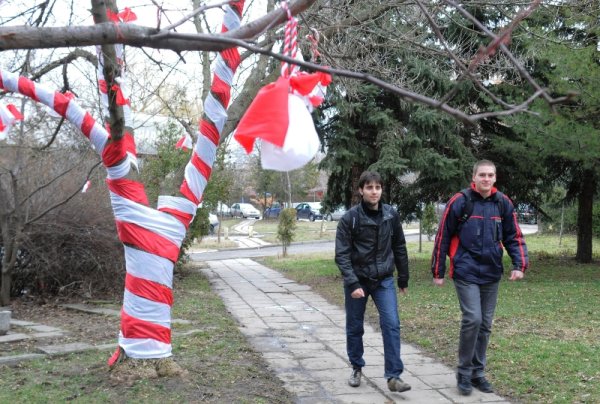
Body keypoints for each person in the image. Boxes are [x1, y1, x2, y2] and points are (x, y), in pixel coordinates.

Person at [431, 159, 529, 396]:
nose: (486, 179)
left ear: (495, 178)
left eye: (490, 175)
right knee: (473, 319)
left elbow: (513, 235)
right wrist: (438, 271)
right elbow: (443, 235)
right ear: (473, 177)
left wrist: (519, 264)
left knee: (485, 325)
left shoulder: (502, 203)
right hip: (465, 271)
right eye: (482, 175)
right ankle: (463, 374)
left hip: (491, 272)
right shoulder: (460, 201)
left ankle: (478, 373)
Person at [335, 171, 411, 393]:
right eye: (369, 187)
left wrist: (403, 277)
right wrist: (352, 283)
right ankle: (357, 367)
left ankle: (394, 376)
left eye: (377, 187)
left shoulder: (390, 214)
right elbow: (342, 255)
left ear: (381, 190)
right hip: (358, 280)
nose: (374, 191)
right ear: (361, 190)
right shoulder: (350, 218)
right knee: (355, 326)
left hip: (384, 279)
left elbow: (399, 246)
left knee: (392, 324)